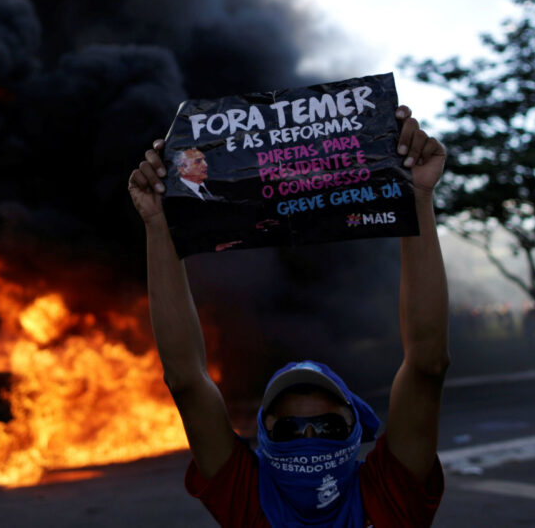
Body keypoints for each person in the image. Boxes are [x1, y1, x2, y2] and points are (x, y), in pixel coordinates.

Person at [128, 105, 447, 527]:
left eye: (329, 427)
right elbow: (186, 381)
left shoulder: (389, 494)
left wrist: (418, 197)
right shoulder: (249, 499)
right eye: (291, 431)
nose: (309, 438)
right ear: (265, 434)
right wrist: (157, 224)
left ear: (355, 427)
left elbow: (427, 365)